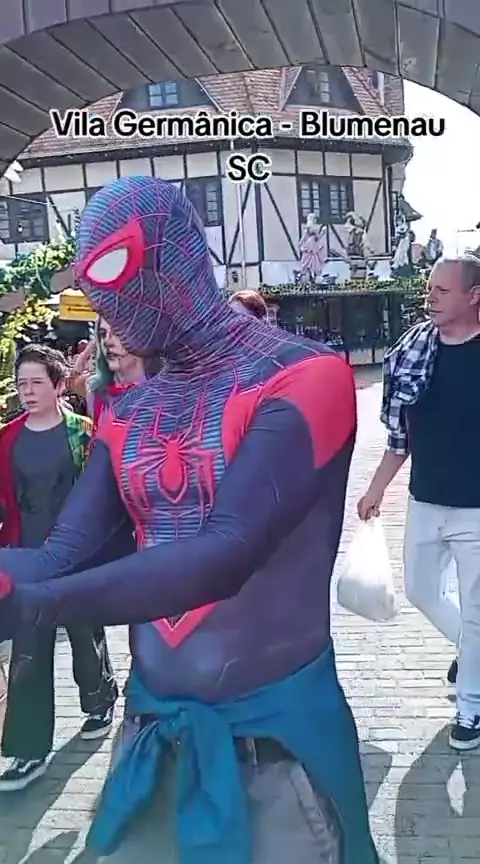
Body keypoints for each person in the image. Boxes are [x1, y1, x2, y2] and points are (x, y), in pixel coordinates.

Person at [0, 177, 377, 863]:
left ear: (172, 255)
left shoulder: (304, 377)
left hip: (278, 752)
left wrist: (34, 603)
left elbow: (225, 552)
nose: (103, 300)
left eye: (113, 268)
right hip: (153, 738)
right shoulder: (130, 411)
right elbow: (60, 555)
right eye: (89, 280)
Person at [358, 255, 480, 751]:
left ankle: (470, 708)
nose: (430, 297)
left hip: (477, 511)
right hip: (425, 500)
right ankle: (472, 654)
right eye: (430, 289)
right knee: (420, 591)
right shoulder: (413, 352)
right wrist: (376, 488)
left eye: (443, 291)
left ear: (474, 296)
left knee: (476, 611)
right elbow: (400, 438)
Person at [0, 345, 118, 791]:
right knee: (29, 649)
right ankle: (28, 750)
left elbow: (103, 494)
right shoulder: (7, 439)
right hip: (26, 556)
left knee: (85, 634)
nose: (27, 391)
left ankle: (100, 698)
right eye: (21, 384)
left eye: (36, 382)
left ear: (58, 384)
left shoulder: (83, 433)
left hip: (76, 553)